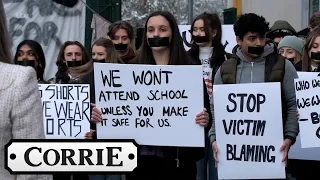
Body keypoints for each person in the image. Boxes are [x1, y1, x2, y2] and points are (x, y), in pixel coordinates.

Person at [208, 13, 299, 180]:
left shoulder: (283, 66)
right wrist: (214, 138)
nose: (259, 43)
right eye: (252, 38)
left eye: (262, 37)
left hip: (272, 157)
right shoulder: (225, 69)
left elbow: (294, 103)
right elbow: (216, 108)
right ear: (238, 40)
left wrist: (289, 137)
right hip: (236, 159)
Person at [125, 10, 211, 180]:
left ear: (173, 33)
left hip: (179, 163)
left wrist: (205, 119)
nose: (156, 33)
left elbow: (206, 113)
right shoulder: (130, 70)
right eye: (151, 30)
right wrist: (103, 115)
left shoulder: (189, 70)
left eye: (162, 29)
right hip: (140, 163)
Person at [0, 1, 52, 180]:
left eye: (31, 54)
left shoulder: (20, 81)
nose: (25, 58)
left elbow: (31, 167)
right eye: (21, 54)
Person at [188, 12, 231, 180]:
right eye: (195, 30)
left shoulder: (227, 59)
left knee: (217, 172)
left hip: (220, 123)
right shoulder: (185, 58)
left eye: (202, 29)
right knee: (197, 173)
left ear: (214, 32)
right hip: (195, 121)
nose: (198, 33)